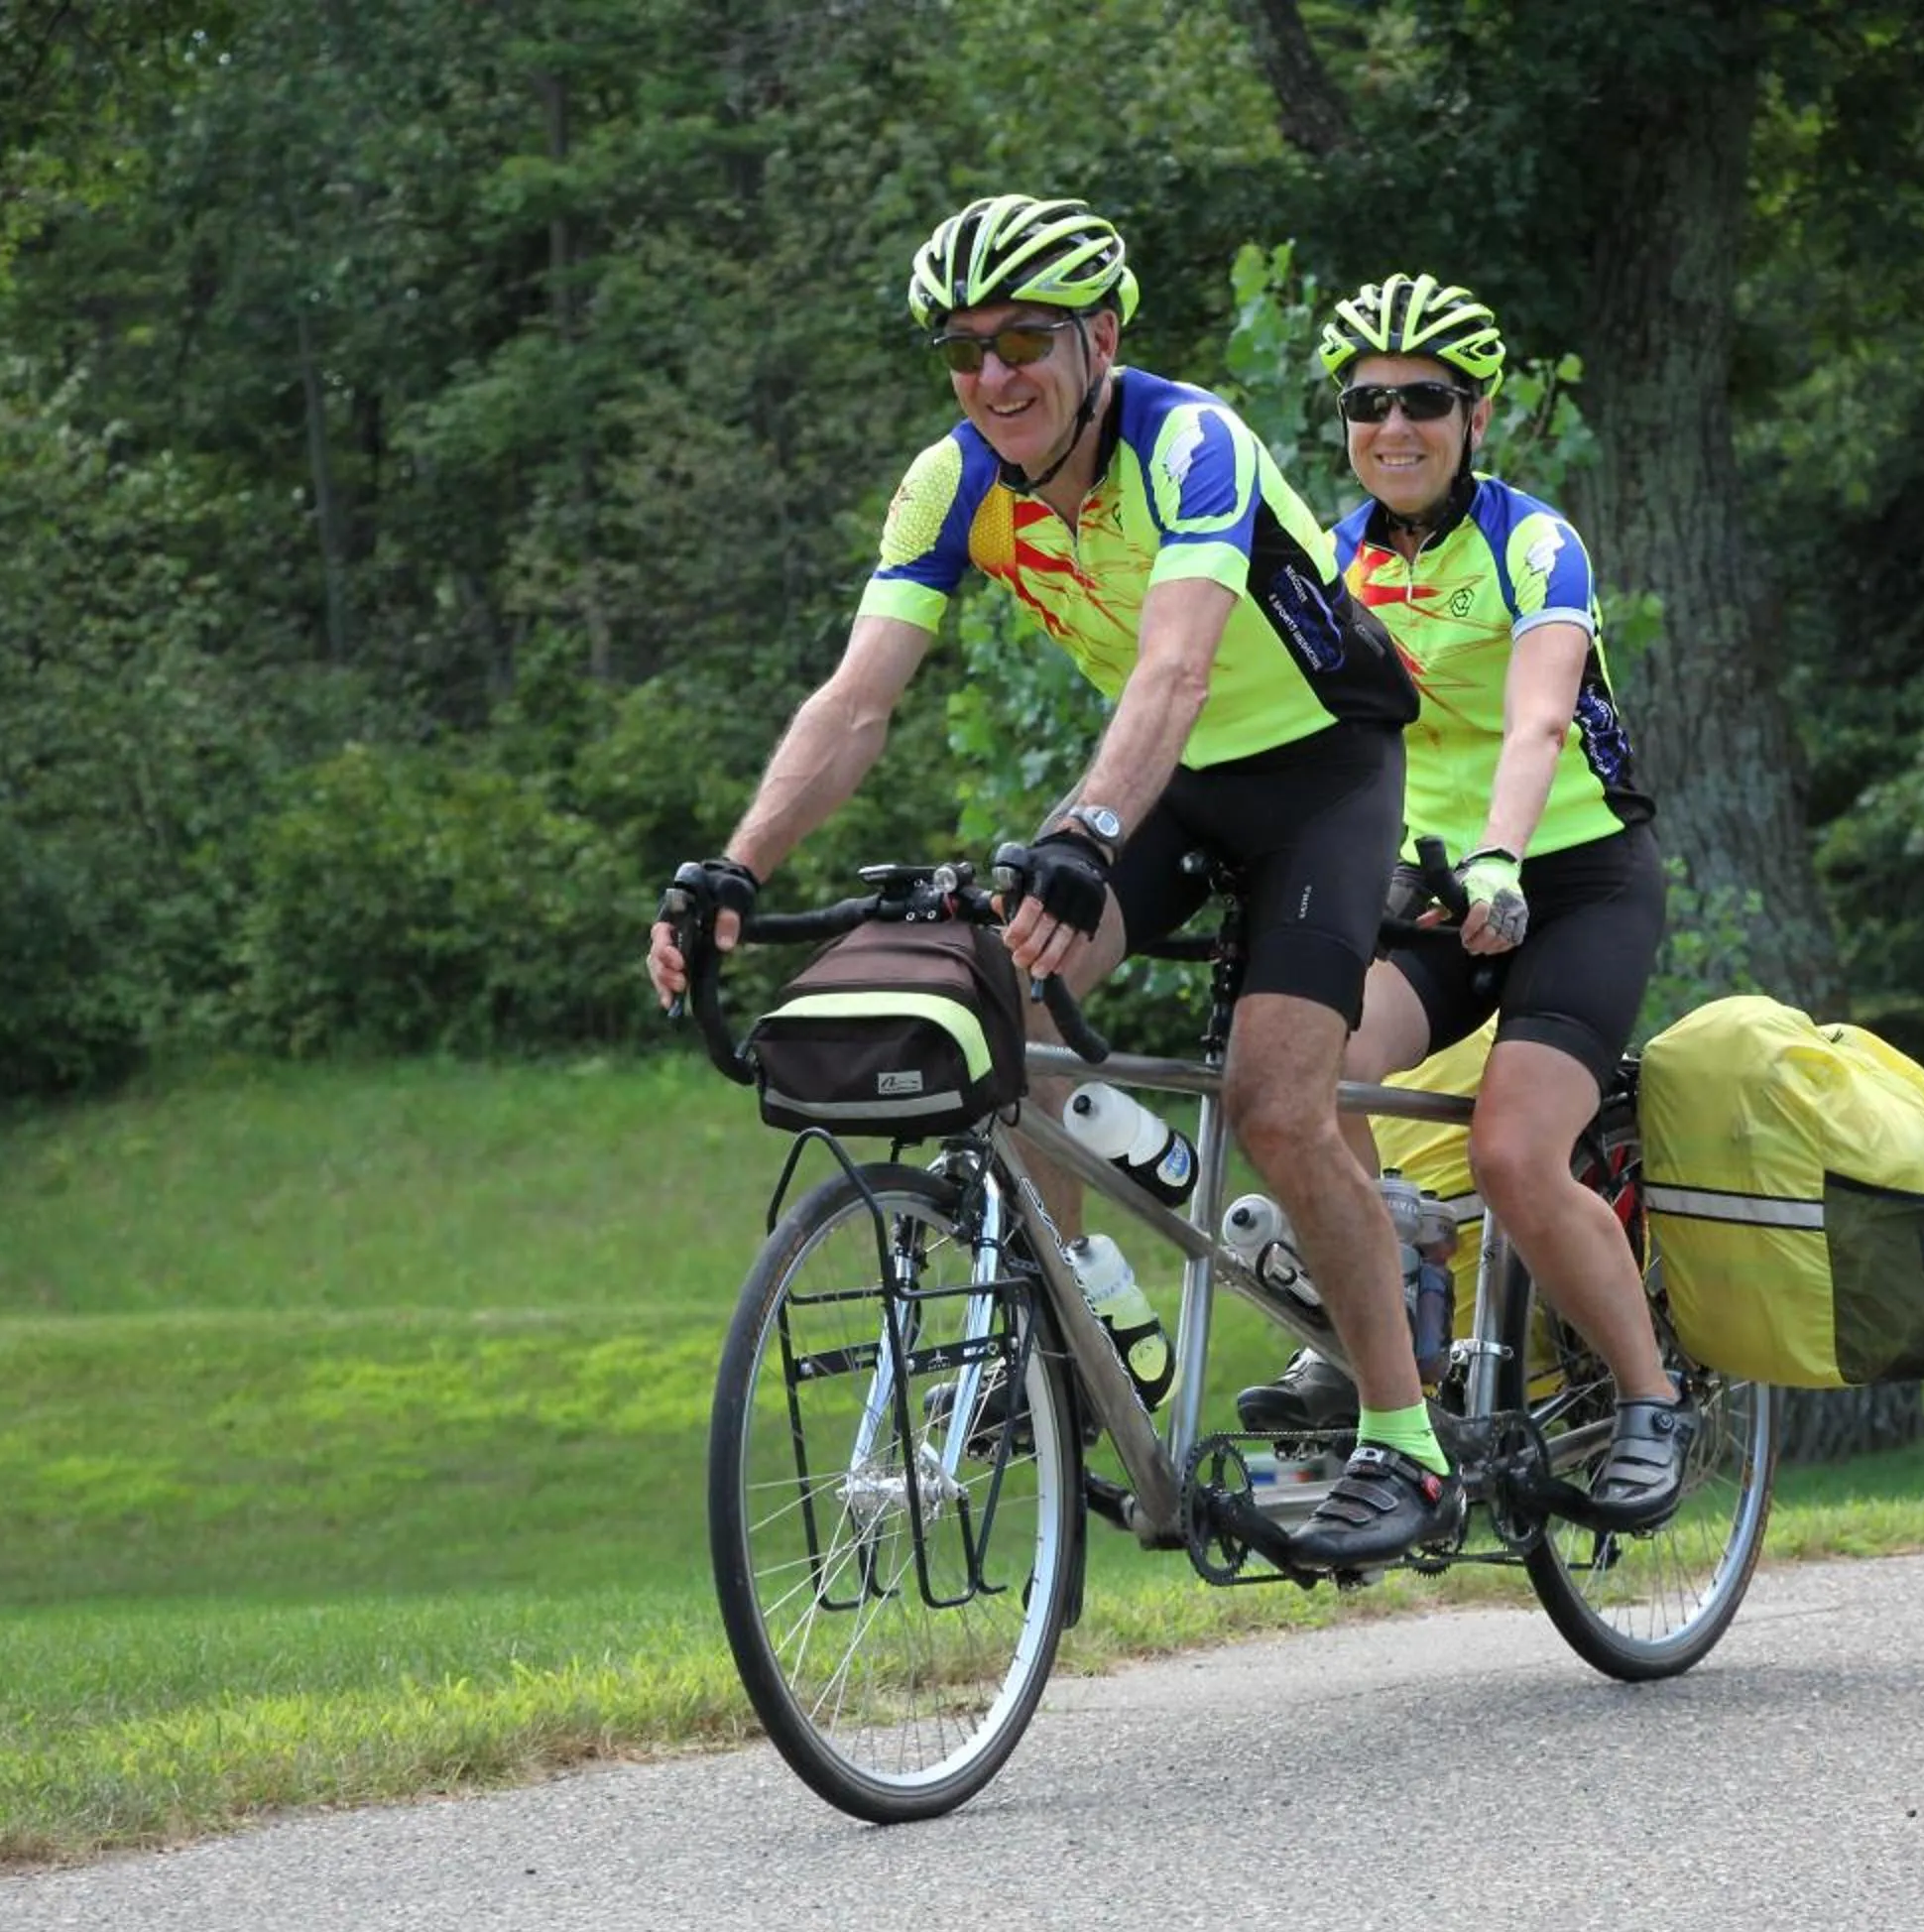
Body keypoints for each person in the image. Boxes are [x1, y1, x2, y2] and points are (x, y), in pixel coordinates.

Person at [644, 196, 1462, 1567]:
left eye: (1024, 338)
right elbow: (857, 703)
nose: (992, 377)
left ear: (1102, 337)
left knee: (1276, 1099)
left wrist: (1082, 831)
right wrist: (737, 865)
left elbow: (1176, 669)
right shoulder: (951, 479)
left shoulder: (1189, 442)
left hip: (1320, 773)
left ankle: (1408, 1440)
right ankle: (1095, 1321)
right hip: (1175, 783)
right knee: (990, 1004)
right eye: (962, 352)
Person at [1232, 273, 1695, 1527]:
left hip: (1573, 878)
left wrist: (1499, 852)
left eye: (1424, 400)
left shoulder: (1533, 542)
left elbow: (1541, 716)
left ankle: (1651, 1401)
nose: (1394, 426)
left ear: (1475, 415)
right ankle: (1380, 1314)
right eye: (1368, 402)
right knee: (1303, 1080)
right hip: (1427, 892)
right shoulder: (1332, 557)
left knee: (1509, 1150)